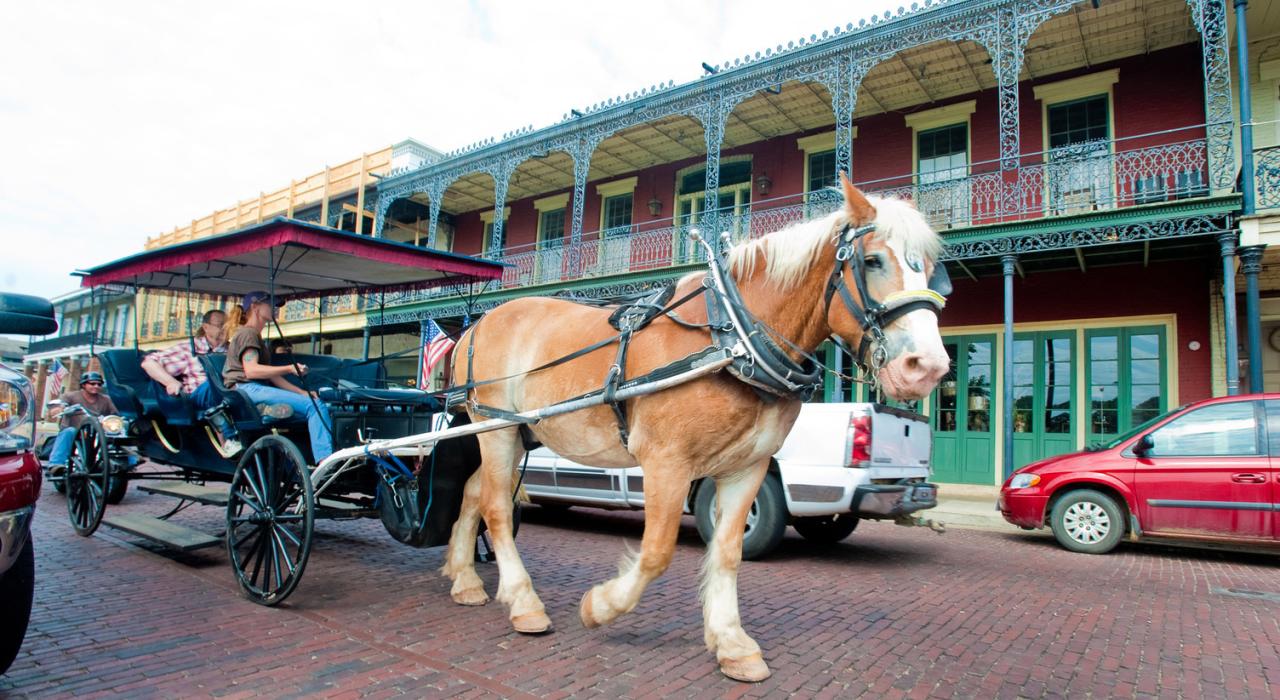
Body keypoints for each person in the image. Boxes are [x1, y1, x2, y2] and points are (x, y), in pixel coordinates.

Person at [223, 291, 333, 463]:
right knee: (315, 406)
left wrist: (301, 392)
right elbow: (251, 371)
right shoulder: (248, 334)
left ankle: (268, 412)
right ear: (255, 307)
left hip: (252, 389)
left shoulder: (253, 335)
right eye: (270, 304)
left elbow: (271, 375)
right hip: (247, 389)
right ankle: (325, 461)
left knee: (309, 406)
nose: (275, 308)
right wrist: (289, 368)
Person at [140, 309, 263, 457]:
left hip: (231, 392)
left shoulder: (232, 349)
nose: (225, 328)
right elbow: (149, 363)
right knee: (216, 384)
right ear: (206, 327)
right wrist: (170, 382)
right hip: (199, 395)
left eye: (227, 325)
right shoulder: (189, 348)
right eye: (220, 325)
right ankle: (228, 440)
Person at [45, 371, 119, 475]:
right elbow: (57, 408)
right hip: (76, 432)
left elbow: (115, 413)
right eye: (92, 384)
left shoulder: (106, 399)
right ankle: (55, 464)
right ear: (84, 385)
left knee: (118, 433)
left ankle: (128, 461)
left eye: (99, 384)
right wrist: (60, 409)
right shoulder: (71, 396)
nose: (96, 386)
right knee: (69, 431)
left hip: (97, 432)